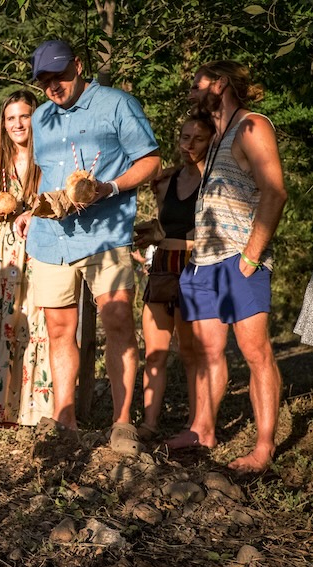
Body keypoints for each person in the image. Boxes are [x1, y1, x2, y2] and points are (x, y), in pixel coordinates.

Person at [16, 40, 160, 450]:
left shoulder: (116, 104)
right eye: (44, 81)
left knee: (117, 321)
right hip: (51, 239)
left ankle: (121, 422)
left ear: (79, 66)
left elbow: (151, 161)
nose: (53, 86)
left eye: (59, 76)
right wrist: (34, 207)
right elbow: (44, 175)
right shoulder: (41, 118)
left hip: (106, 234)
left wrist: (108, 188)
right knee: (60, 330)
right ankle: (66, 420)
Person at [173, 60, 287, 474]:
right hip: (203, 261)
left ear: (219, 84)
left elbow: (275, 192)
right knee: (207, 352)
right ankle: (202, 429)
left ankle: (263, 447)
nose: (191, 91)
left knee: (256, 352)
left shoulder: (252, 127)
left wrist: (252, 257)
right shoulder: (218, 135)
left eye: (196, 83)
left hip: (240, 258)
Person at [137, 116, 214, 442]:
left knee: (191, 351)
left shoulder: (215, 181)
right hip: (163, 265)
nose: (189, 144)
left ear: (212, 141)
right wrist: (147, 235)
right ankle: (149, 423)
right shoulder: (166, 181)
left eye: (197, 138)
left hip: (195, 265)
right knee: (154, 351)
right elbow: (162, 226)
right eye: (184, 136)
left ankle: (198, 425)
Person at [0, 90, 53, 426]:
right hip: (5, 252)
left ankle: (33, 411)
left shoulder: (48, 159)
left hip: (38, 247)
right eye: (11, 118)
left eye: (24, 116)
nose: (17, 124)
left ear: (35, 118)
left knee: (33, 322)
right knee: (1, 324)